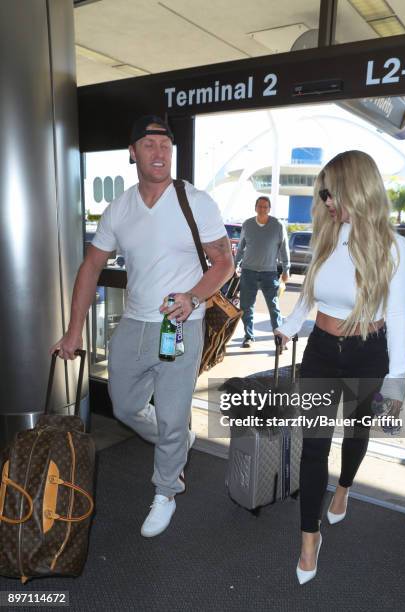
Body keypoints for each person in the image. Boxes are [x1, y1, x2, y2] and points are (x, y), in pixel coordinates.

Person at [51, 114, 233, 538]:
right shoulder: (120, 208)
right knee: (125, 405)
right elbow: (91, 266)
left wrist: (193, 297)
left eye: (165, 144)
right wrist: (74, 330)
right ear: (132, 153)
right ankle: (176, 442)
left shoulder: (195, 201)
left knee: (171, 415)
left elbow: (224, 262)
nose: (159, 151)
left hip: (179, 325)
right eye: (149, 144)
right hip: (134, 322)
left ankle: (166, 489)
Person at [274, 150, 405, 584]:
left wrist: (397, 384)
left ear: (355, 186)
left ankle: (345, 488)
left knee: (356, 433)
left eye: (331, 191)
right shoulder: (327, 236)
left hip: (368, 353)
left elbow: (399, 317)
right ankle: (309, 539)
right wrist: (288, 326)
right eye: (324, 192)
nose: (326, 200)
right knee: (313, 445)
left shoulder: (394, 246)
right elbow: (309, 296)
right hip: (319, 350)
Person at [235, 196, 290, 348]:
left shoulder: (277, 225)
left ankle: (279, 338)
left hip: (269, 273)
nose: (262, 209)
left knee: (274, 308)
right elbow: (240, 248)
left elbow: (284, 249)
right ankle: (248, 336)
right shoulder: (247, 224)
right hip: (248, 272)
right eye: (260, 206)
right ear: (255, 208)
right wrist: (234, 266)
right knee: (246, 307)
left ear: (269, 209)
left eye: (265, 207)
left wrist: (286, 269)